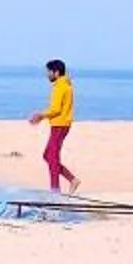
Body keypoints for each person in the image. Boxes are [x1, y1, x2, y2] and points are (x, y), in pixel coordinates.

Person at [25, 59, 78, 193]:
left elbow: (55, 109)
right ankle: (72, 179)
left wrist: (41, 115)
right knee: (48, 156)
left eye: (49, 72)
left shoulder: (60, 86)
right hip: (60, 124)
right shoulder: (64, 84)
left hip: (60, 124)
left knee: (52, 157)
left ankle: (55, 190)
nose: (47, 75)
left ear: (56, 72)